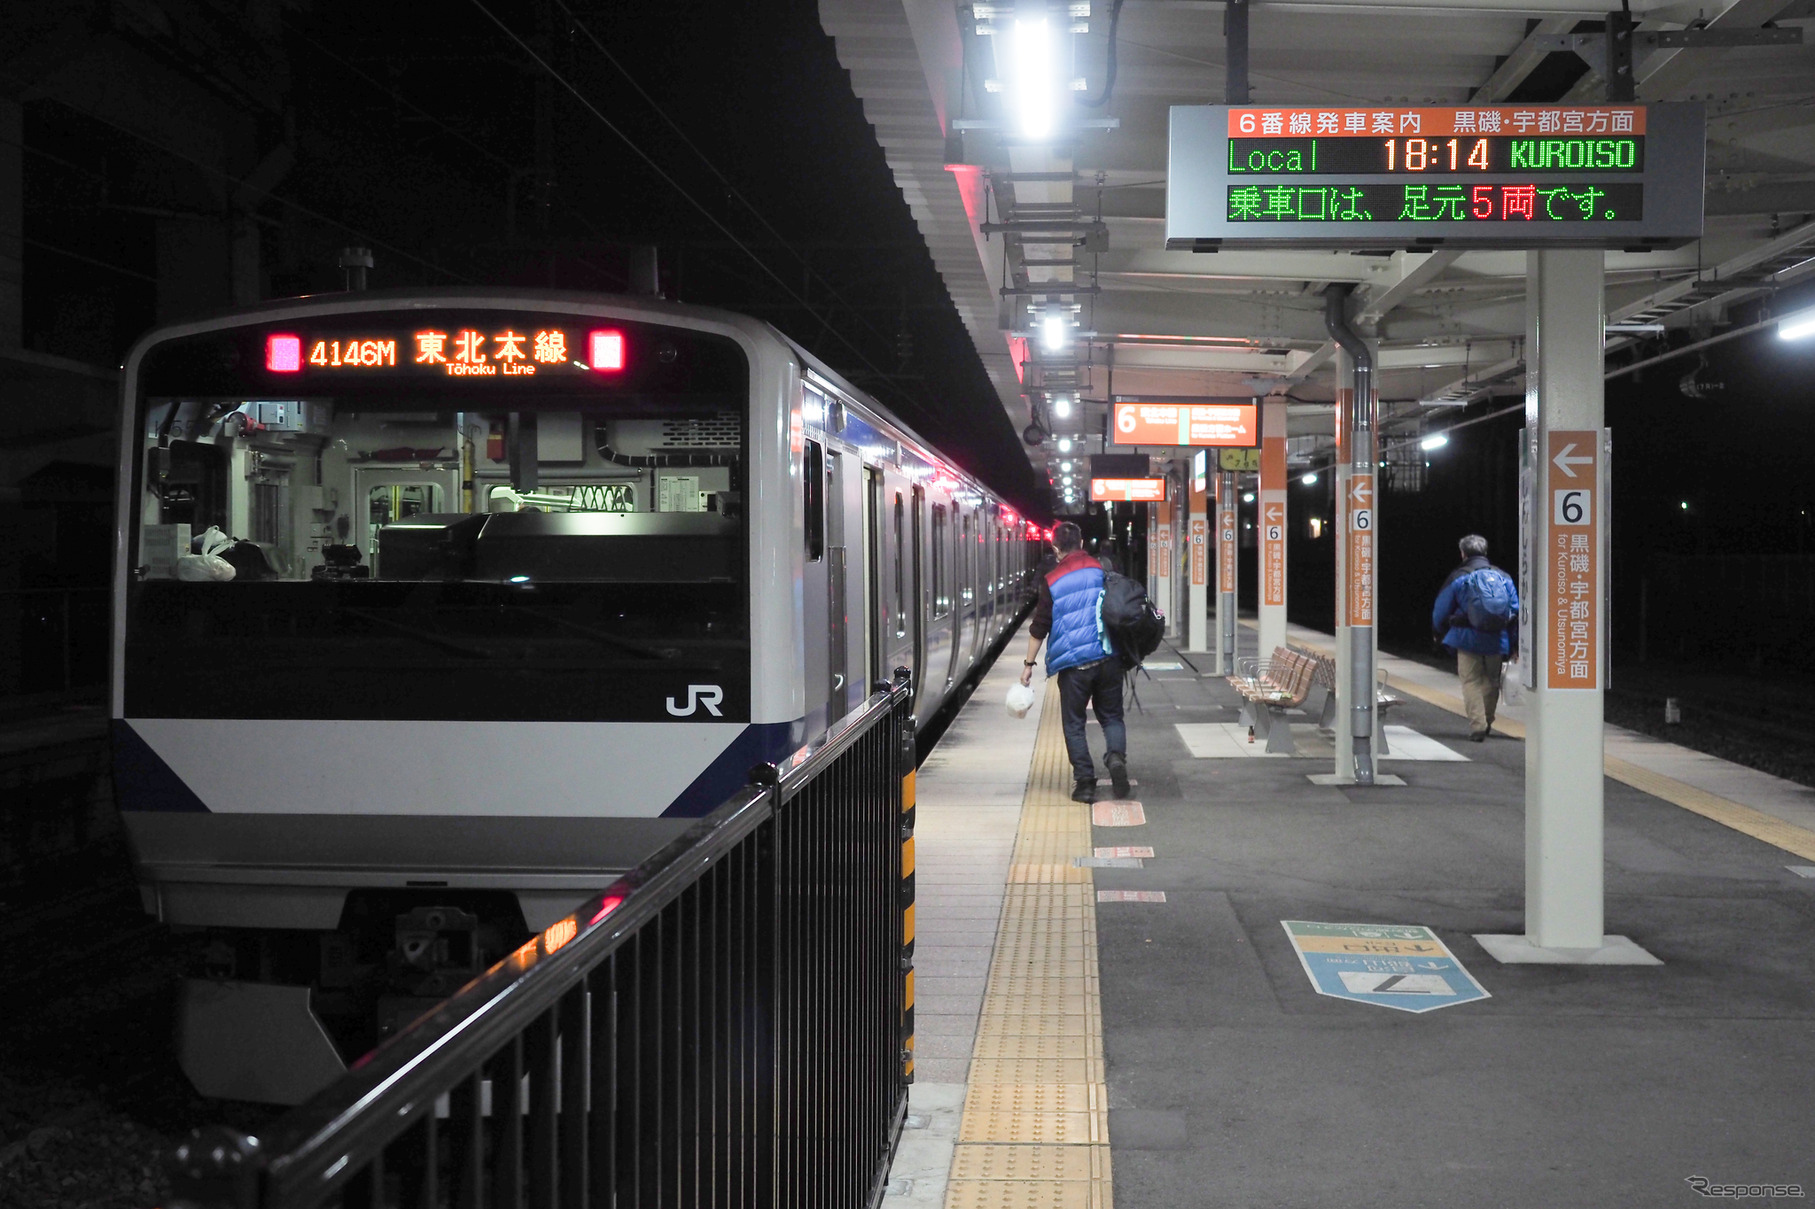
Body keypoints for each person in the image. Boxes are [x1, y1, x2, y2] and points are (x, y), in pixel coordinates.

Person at [1020, 522, 1130, 802]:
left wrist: (1028, 665)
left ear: (1056, 548)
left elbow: (1040, 626)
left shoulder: (1052, 579)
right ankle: (1116, 757)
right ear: (1081, 543)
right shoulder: (1100, 568)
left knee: (1073, 723)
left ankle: (1085, 784)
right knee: (1112, 716)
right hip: (1107, 657)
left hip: (1073, 666)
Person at [1431, 534, 1519, 741]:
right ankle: (1487, 720)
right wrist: (1513, 641)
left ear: (1463, 553)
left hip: (1466, 638)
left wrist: (1438, 631)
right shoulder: (1503, 577)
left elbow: (1440, 610)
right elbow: (1515, 610)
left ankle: (1478, 724)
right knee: (1492, 680)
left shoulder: (1459, 576)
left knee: (1470, 681)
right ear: (1485, 552)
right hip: (1497, 639)